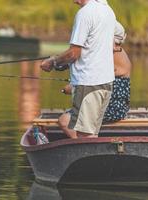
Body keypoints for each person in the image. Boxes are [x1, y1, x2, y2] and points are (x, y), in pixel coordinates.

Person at [40, 0, 116, 138]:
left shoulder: (85, 13)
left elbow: (74, 53)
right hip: (106, 82)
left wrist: (53, 61)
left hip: (88, 84)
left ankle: (90, 160)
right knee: (92, 135)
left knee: (84, 137)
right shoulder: (107, 11)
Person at [61, 21, 132, 124]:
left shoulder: (112, 53)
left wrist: (73, 88)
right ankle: (88, 138)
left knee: (64, 121)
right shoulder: (114, 52)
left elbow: (96, 80)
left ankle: (87, 140)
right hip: (116, 108)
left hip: (112, 110)